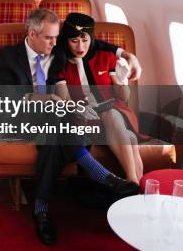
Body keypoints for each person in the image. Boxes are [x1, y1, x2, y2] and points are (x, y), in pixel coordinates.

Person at [0, 9, 142, 246]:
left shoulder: (57, 52)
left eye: (57, 38)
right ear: (32, 34)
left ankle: (40, 208)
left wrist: (125, 54)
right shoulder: (7, 57)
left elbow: (93, 42)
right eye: (50, 38)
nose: (56, 43)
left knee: (58, 123)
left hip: (55, 120)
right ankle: (103, 178)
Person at [55, 13, 144, 183]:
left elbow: (123, 97)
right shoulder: (61, 62)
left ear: (91, 38)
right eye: (74, 41)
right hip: (85, 117)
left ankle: (132, 181)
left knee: (111, 114)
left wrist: (122, 79)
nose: (80, 46)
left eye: (85, 40)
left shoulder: (105, 55)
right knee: (130, 139)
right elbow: (63, 98)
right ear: (66, 40)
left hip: (114, 111)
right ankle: (137, 187)